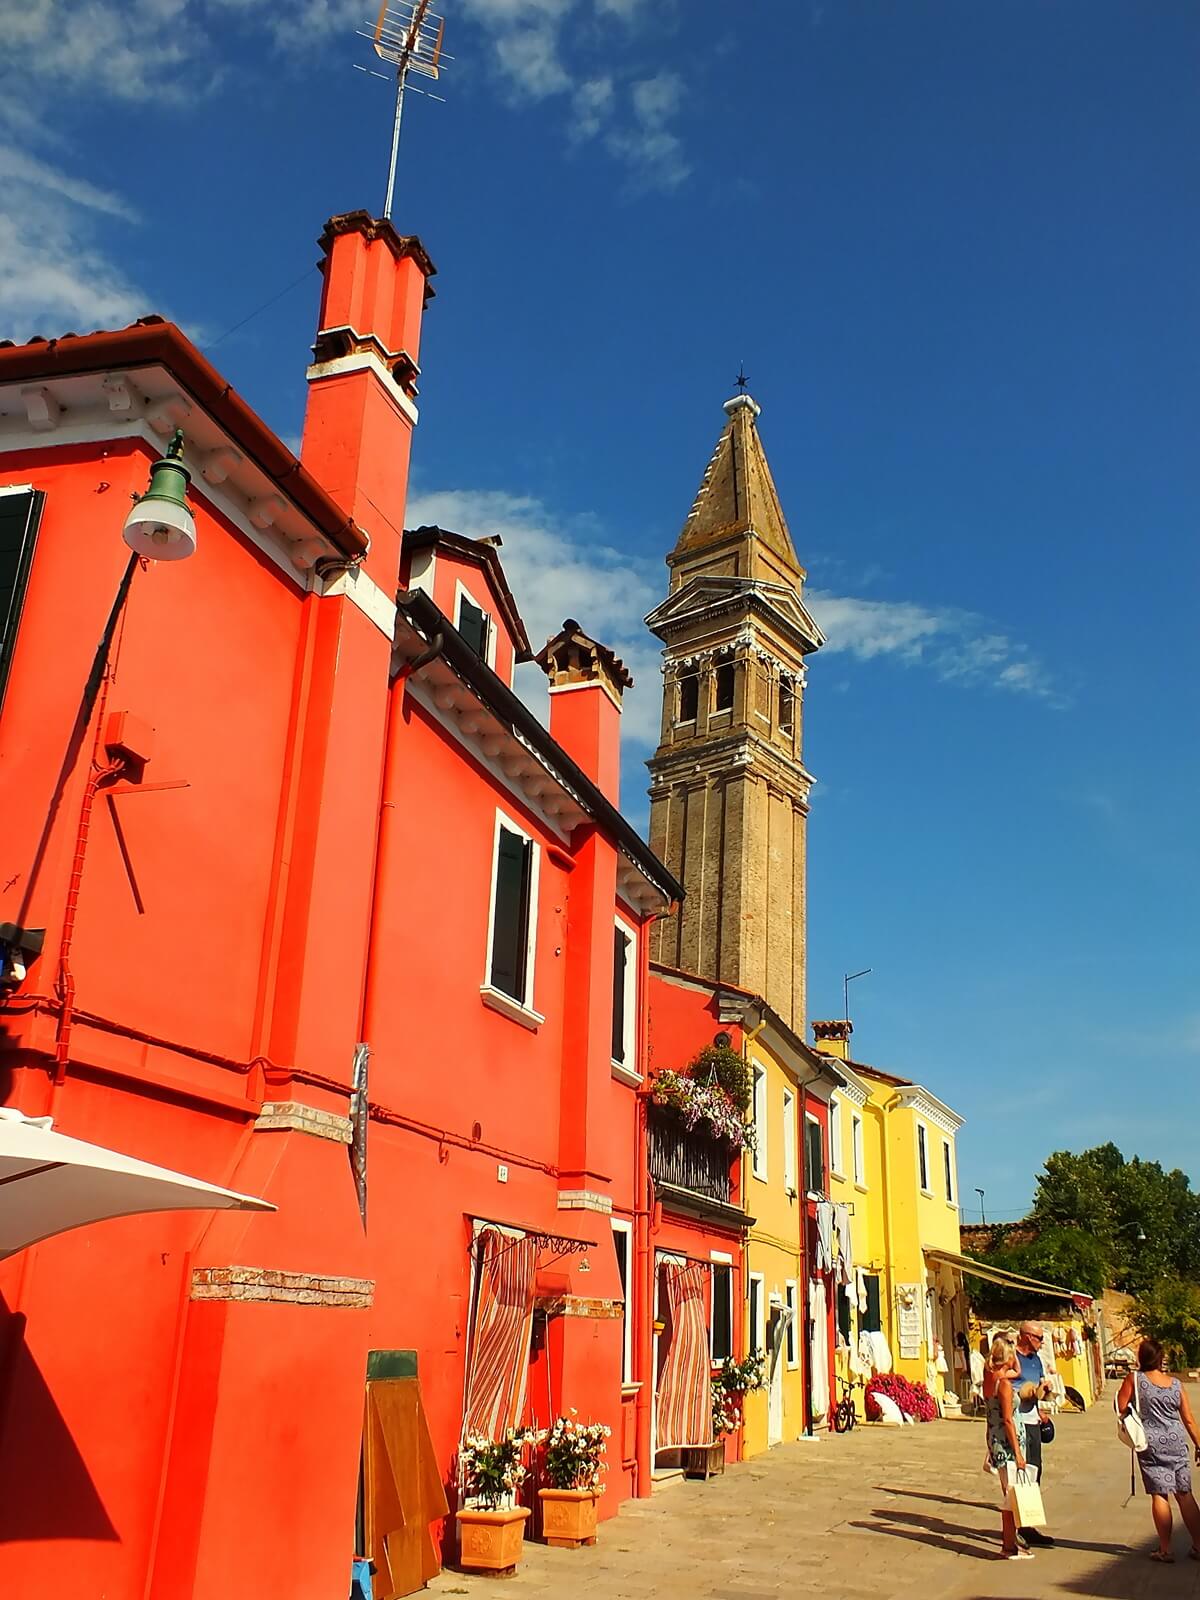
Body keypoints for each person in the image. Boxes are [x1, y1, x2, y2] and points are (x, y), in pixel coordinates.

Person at [1117, 1338, 1200, 1563]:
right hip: (1177, 1441)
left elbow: (1121, 1407)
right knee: (1184, 1493)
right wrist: (1199, 1444)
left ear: (1141, 1357)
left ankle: (1165, 1549)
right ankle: (1199, 1545)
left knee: (1160, 1494)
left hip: (1151, 1443)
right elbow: (1189, 1419)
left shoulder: (1135, 1379)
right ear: (1161, 1358)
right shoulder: (1175, 1384)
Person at [984, 1335, 1034, 1561]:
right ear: (1008, 1356)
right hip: (1006, 1443)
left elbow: (1017, 1371)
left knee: (1009, 1494)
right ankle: (1009, 1545)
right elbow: (1008, 1419)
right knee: (1011, 1494)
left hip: (995, 1438)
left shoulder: (990, 1376)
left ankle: (1010, 1543)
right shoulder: (1003, 1384)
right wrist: (1018, 1452)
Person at [1013, 1320, 1054, 1548]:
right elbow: (1004, 1387)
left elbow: (1038, 1389)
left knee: (1035, 1472)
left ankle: (1028, 1524)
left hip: (1033, 1421)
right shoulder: (1012, 1358)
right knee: (1018, 1474)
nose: (1042, 1342)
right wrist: (1024, 1392)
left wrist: (1043, 1396)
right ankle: (1017, 1527)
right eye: (1039, 1338)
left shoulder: (1036, 1360)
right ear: (1027, 1337)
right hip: (1016, 1422)